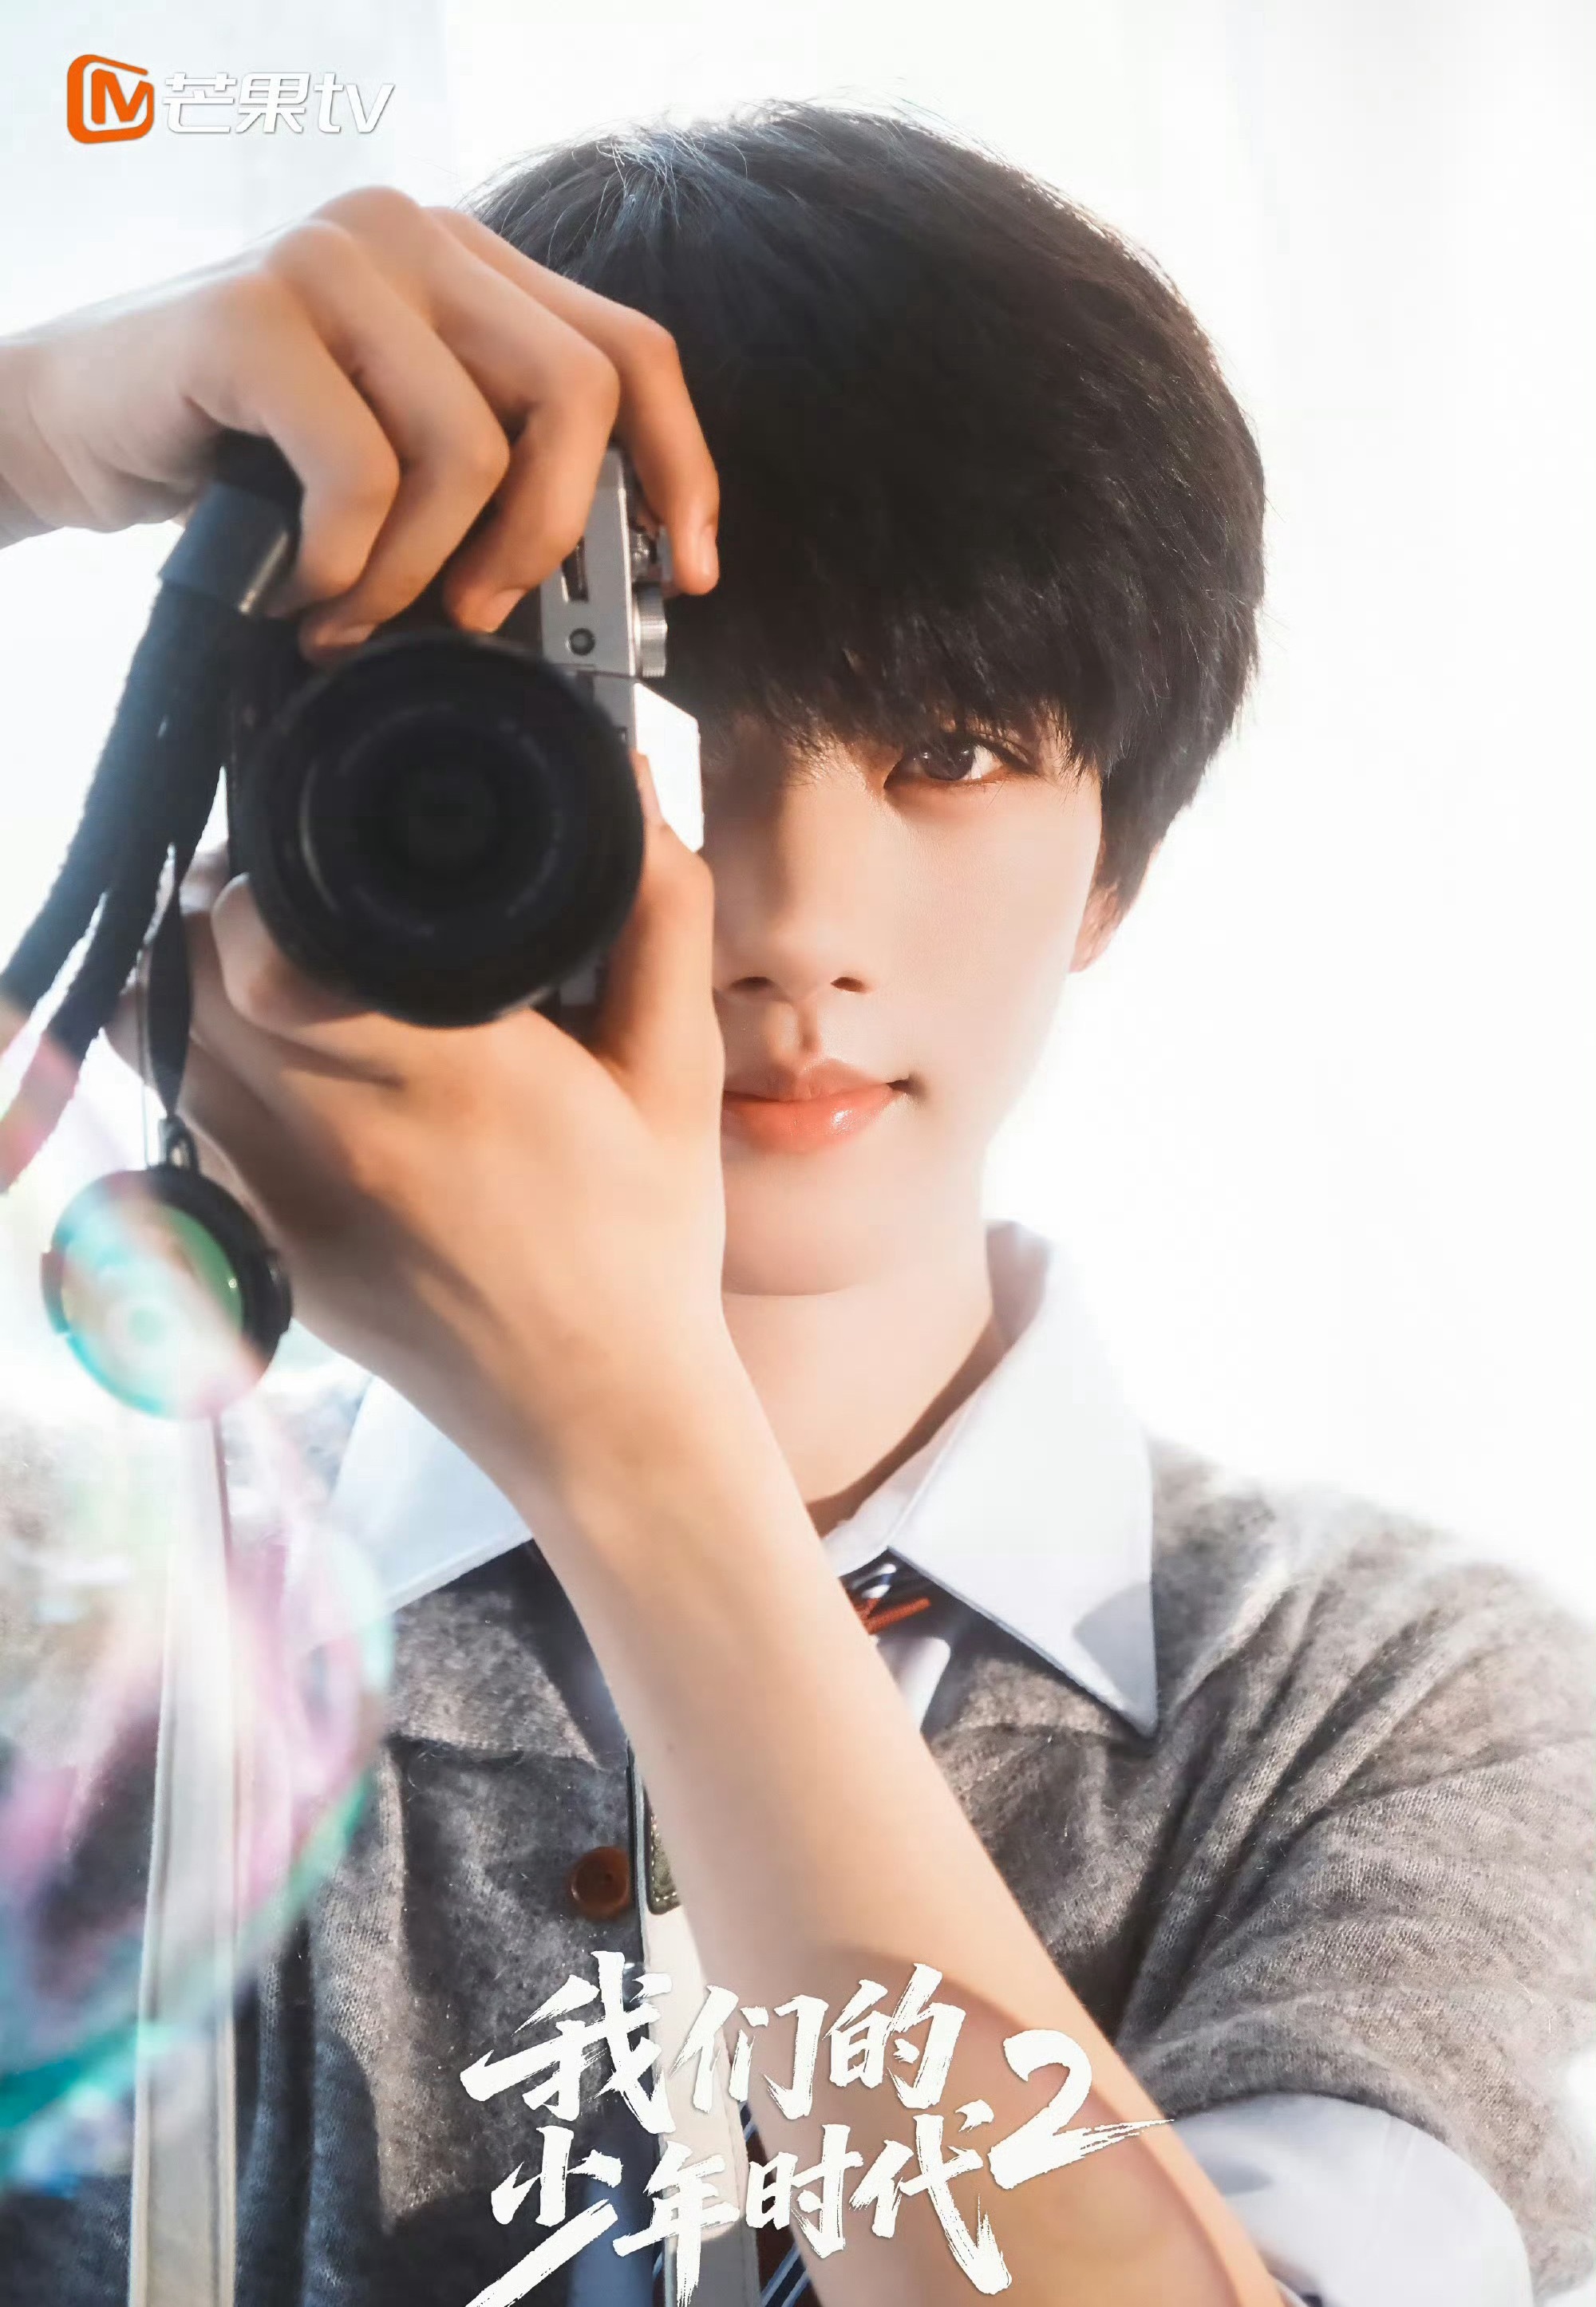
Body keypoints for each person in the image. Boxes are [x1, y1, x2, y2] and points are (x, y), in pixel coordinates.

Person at [0, 105, 1590, 2307]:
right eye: (650, 734)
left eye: (955, 751)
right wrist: (36, 429)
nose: (796, 921)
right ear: (374, 787)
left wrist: (629, 1440)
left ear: (1116, 856)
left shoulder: (1392, 1703)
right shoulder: (74, 1623)